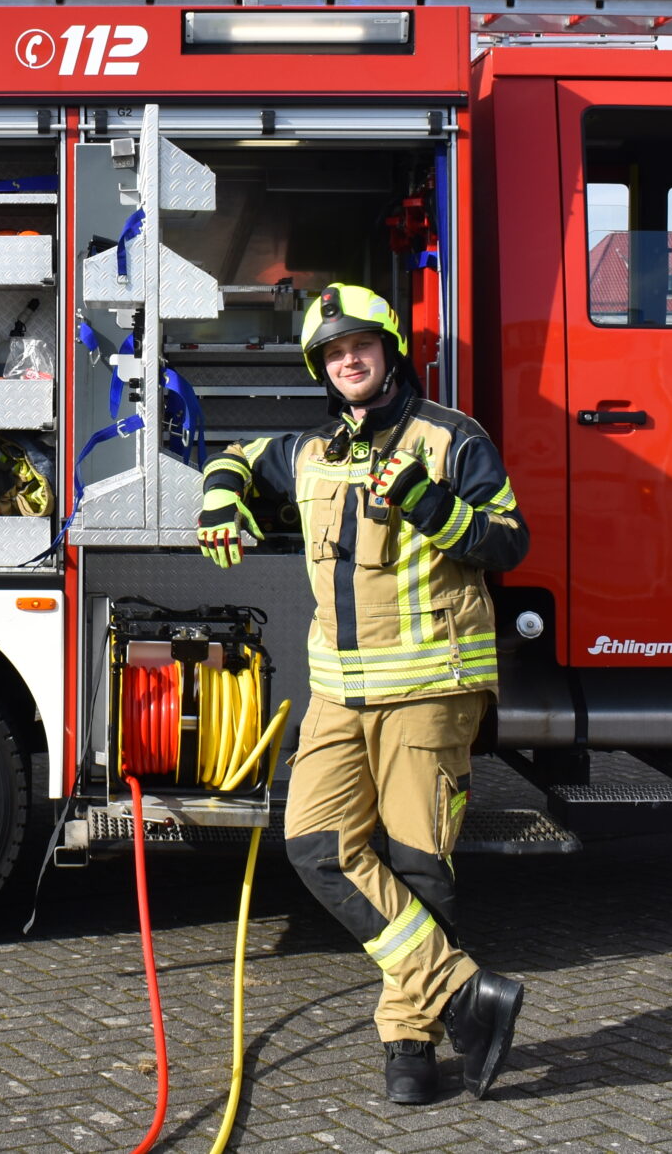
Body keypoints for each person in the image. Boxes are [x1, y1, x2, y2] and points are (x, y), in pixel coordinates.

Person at [199, 284, 530, 1107]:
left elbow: (508, 540)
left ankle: (408, 1042)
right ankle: (464, 990)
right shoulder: (311, 452)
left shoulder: (451, 438)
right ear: (323, 368)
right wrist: (221, 499)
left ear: (389, 350)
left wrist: (428, 503)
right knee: (315, 844)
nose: (350, 358)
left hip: (431, 684)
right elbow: (236, 457)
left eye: (362, 344)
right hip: (339, 694)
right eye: (333, 351)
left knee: (420, 866)